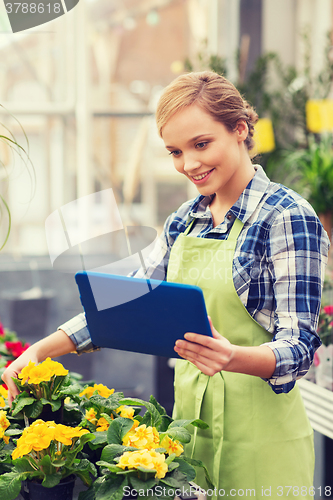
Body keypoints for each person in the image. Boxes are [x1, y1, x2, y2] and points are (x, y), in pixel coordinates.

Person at [2, 71, 330, 499]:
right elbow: (130, 302)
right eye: (175, 151)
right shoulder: (185, 219)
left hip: (262, 443)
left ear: (240, 131)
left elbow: (301, 346)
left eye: (201, 144)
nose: (189, 164)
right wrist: (41, 350)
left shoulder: (286, 217)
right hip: (191, 436)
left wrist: (232, 356)